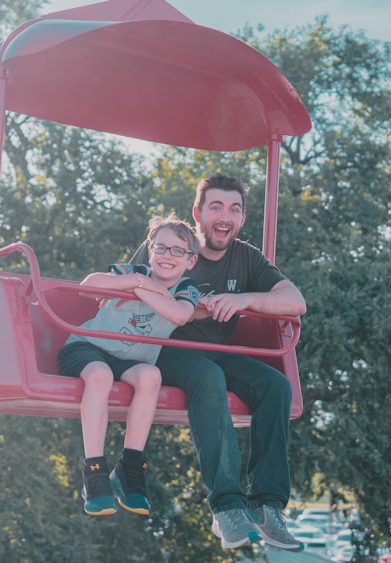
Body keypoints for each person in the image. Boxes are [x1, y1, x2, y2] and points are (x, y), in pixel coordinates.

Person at [131, 174, 307, 550]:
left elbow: (295, 301)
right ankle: (226, 505)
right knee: (207, 376)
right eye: (216, 207)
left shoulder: (245, 256)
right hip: (162, 349)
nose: (224, 216)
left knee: (276, 385)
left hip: (217, 353)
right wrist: (184, 307)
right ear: (198, 213)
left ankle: (267, 505)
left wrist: (244, 299)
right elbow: (129, 285)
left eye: (234, 209)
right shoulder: (172, 244)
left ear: (242, 218)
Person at [57, 213, 200, 516]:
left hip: (130, 362)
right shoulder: (132, 271)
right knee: (99, 374)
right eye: (160, 247)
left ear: (191, 261)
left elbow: (180, 315)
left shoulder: (187, 289)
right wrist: (137, 281)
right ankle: (94, 473)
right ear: (150, 250)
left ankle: (129, 469)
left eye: (178, 250)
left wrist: (142, 291)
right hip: (87, 348)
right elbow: (88, 286)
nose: (167, 255)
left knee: (151, 376)